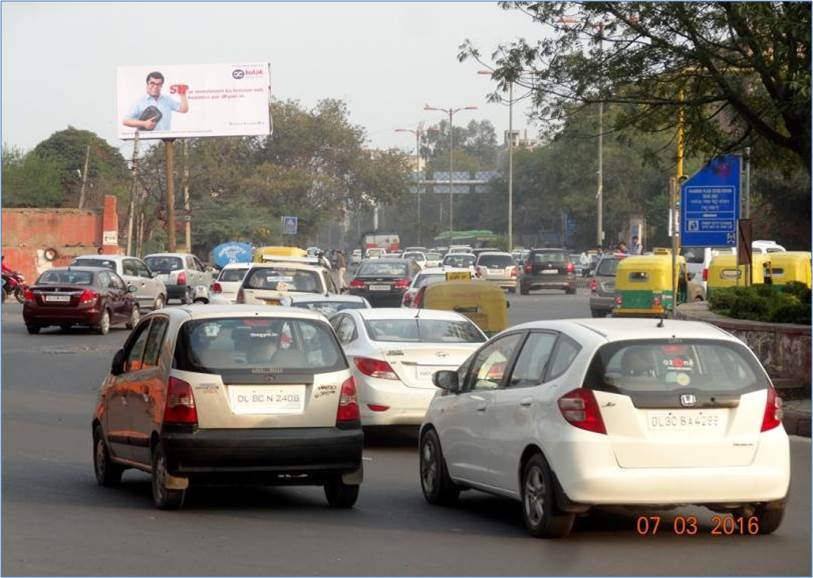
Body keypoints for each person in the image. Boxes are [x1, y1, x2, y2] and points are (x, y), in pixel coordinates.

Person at [123, 71, 189, 132]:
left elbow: (183, 109)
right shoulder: (139, 102)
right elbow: (125, 121)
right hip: (146, 142)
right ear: (147, 84)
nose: (155, 86)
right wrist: (144, 124)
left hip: (165, 141)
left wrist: (182, 95)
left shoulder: (167, 99)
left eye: (158, 84)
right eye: (152, 83)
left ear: (161, 85)